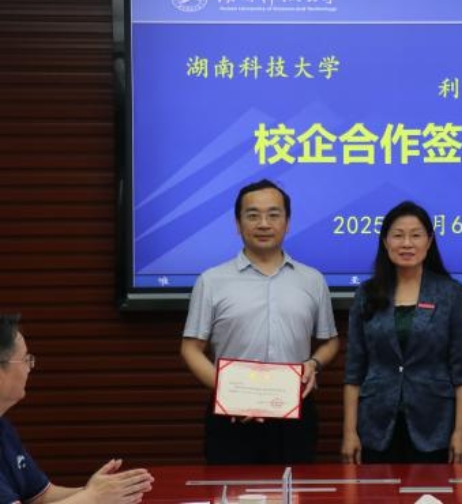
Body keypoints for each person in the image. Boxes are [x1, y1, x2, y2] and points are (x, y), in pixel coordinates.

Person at [180, 179, 339, 465]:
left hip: (295, 415)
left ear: (287, 223)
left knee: (294, 488)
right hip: (232, 418)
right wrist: (228, 393)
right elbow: (190, 349)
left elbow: (330, 341)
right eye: (253, 215)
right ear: (238, 224)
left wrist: (314, 364)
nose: (263, 224)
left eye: (273, 214)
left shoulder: (312, 280)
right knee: (230, 488)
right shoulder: (212, 280)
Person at [341, 201, 462, 465]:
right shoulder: (367, 294)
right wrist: (349, 432)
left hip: (434, 424)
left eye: (416, 235)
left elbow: (461, 373)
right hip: (375, 425)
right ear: (385, 241)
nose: (407, 244)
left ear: (429, 241)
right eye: (398, 235)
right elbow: (354, 371)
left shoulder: (449, 293)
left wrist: (460, 432)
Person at [0, 313, 154, 504]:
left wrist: (106, 491)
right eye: (25, 359)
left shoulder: (4, 428)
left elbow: (41, 496)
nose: (30, 367)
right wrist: (93, 497)